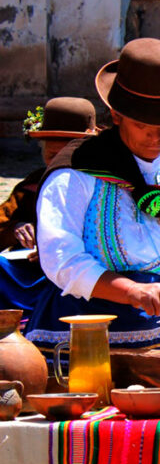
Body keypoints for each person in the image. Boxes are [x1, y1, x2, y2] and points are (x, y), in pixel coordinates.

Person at [29, 38, 160, 365]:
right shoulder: (75, 174)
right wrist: (133, 292)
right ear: (116, 116)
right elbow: (62, 258)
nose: (156, 137)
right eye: (143, 125)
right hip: (90, 342)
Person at [0, 98, 98, 315]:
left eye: (65, 155)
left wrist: (57, 254)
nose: (56, 162)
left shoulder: (104, 186)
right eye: (51, 155)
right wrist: (15, 230)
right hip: (33, 278)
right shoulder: (32, 185)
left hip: (88, 278)